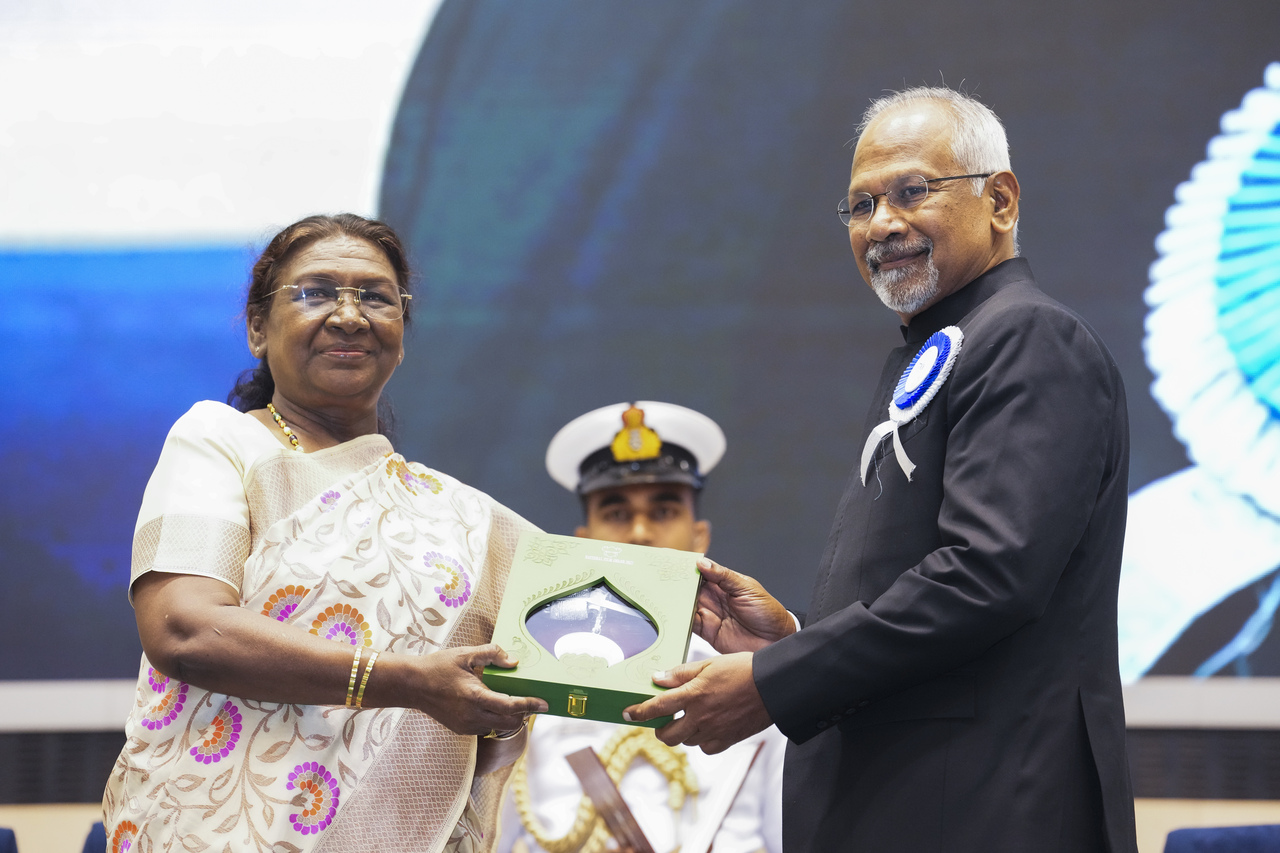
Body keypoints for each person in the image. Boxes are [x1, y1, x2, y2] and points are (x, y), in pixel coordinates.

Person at [624, 87, 1139, 852]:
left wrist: (777, 683)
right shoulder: (944, 343)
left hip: (987, 810)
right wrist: (790, 641)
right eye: (861, 205)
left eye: (911, 191)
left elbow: (987, 575)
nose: (883, 224)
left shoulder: (1027, 336)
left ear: (1000, 199)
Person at [102, 213, 548, 853]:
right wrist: (404, 682)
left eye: (375, 296)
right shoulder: (220, 443)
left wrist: (710, 628)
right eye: (315, 293)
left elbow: (585, 615)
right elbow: (184, 630)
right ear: (258, 327)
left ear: (401, 330)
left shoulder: (460, 515)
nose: (349, 315)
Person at [498, 402, 784, 853]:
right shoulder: (529, 676)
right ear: (584, 538)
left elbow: (791, 831)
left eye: (664, 511)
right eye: (615, 513)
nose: (639, 533)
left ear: (699, 537)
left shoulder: (753, 673)